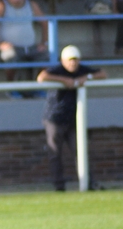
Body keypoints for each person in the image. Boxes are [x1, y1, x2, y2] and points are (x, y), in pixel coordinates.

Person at [37, 45, 106, 190]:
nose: (73, 63)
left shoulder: (82, 69)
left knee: (80, 151)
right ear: (63, 60)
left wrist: (86, 77)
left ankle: (87, 183)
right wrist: (64, 80)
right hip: (55, 119)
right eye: (69, 60)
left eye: (75, 60)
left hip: (74, 119)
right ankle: (59, 186)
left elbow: (103, 74)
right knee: (55, 153)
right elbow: (42, 77)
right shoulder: (57, 70)